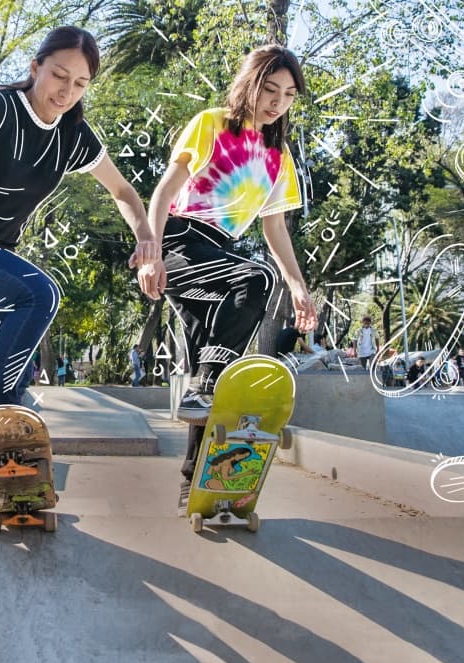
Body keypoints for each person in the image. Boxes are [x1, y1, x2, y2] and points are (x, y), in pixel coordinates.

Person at [0, 26, 166, 412]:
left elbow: (124, 192)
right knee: (40, 295)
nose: (66, 91)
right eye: (59, 75)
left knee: (20, 370)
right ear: (35, 67)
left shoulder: (75, 136)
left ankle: (6, 447)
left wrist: (147, 240)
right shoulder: (0, 107)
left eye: (80, 83)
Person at [146, 45, 317, 515]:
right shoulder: (212, 124)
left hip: (219, 260)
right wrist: (151, 250)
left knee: (213, 373)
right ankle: (206, 384)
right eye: (269, 88)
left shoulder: (277, 158)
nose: (277, 101)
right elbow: (166, 188)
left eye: (287, 94)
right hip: (179, 245)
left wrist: (299, 286)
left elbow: (274, 227)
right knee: (257, 279)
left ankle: (192, 487)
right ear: (250, 83)